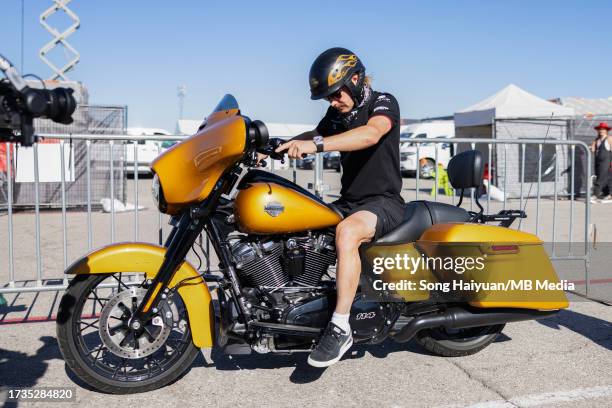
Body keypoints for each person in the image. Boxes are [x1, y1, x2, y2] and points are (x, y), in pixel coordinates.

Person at [274, 47, 405, 367]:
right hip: (350, 201)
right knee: (299, 222)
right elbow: (315, 133)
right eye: (328, 98)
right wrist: (276, 147)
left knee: (347, 233)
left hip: (383, 202)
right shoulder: (337, 115)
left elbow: (370, 135)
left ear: (356, 79)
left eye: (336, 94)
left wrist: (314, 146)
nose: (333, 102)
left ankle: (341, 326)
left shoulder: (382, 102)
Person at [590, 122, 612, 202]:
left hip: (606, 161)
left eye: (603, 129)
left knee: (600, 178)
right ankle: (608, 194)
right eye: (600, 129)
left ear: (606, 130)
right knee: (602, 177)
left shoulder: (609, 138)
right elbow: (593, 150)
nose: (601, 131)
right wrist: (592, 145)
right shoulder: (597, 140)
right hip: (598, 161)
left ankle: (595, 195)